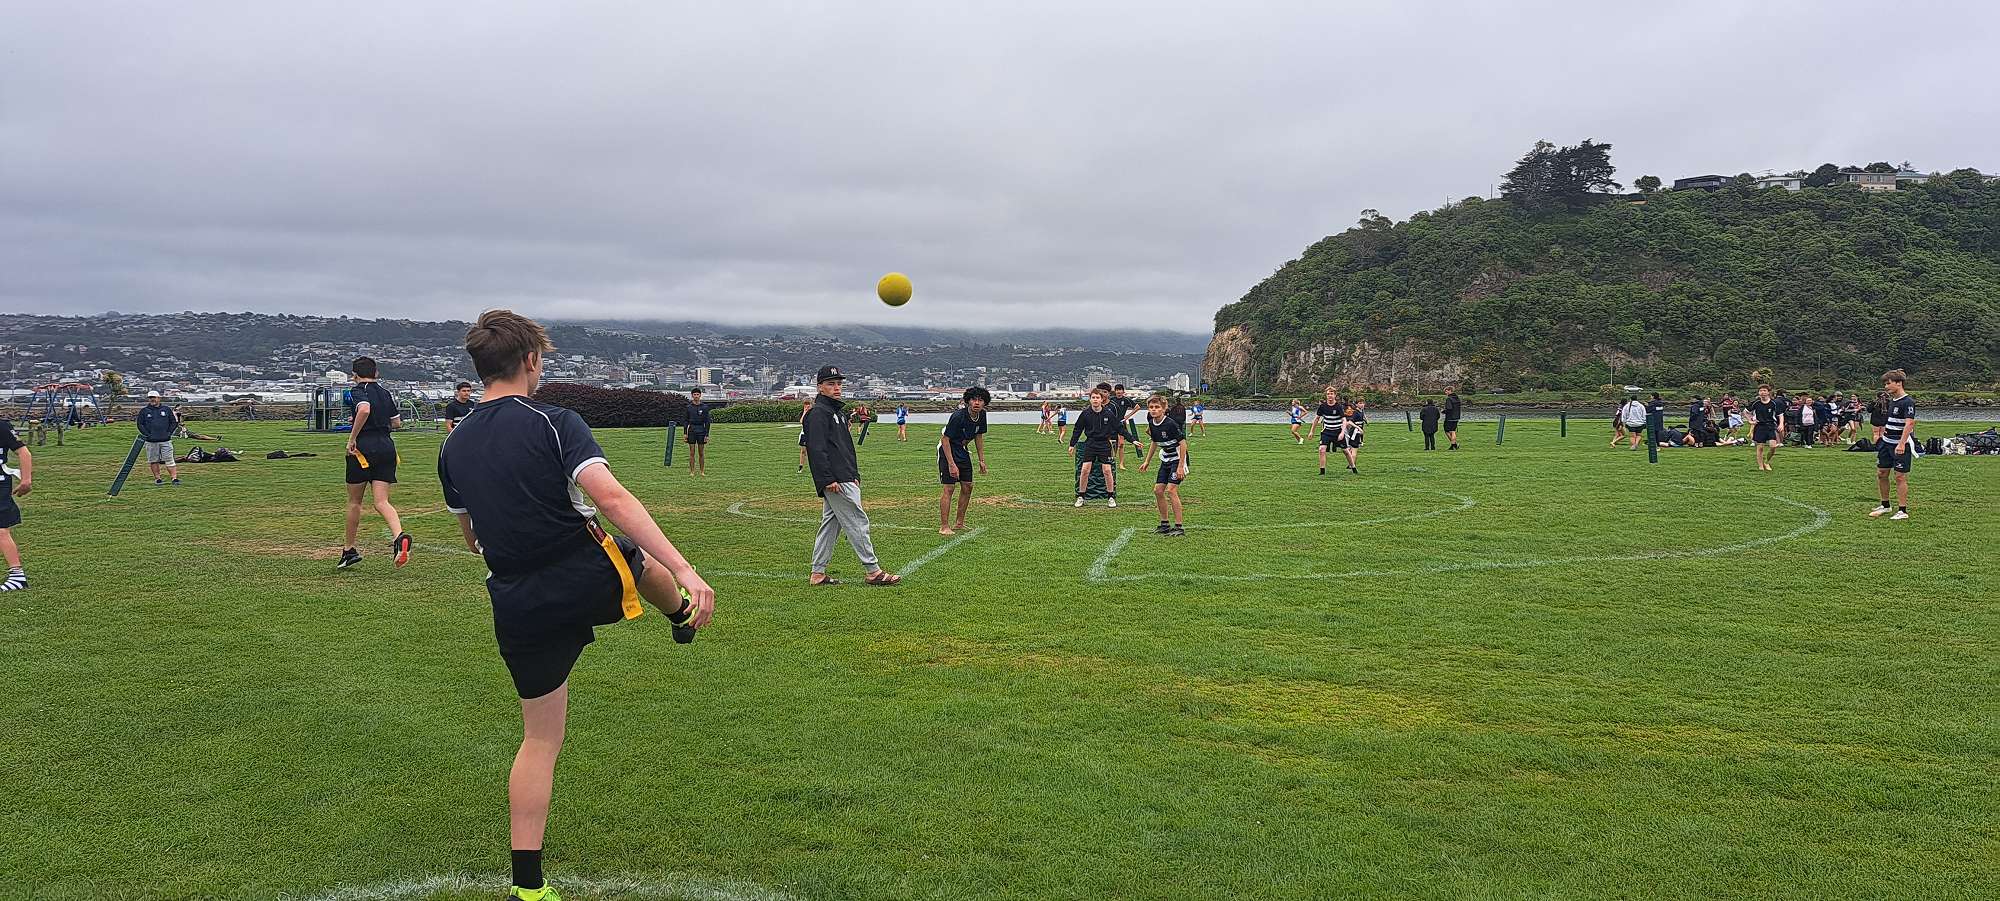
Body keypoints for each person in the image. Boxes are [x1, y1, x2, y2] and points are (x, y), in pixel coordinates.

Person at [436, 309, 715, 901]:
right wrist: (687, 568)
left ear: (480, 368)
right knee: (640, 563)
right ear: (531, 361)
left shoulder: (452, 444)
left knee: (539, 741)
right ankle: (679, 614)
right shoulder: (556, 421)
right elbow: (611, 498)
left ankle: (529, 887)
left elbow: (472, 537)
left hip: (515, 595)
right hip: (581, 571)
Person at [804, 366, 900, 586]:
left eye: (839, 384)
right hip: (836, 479)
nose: (836, 388)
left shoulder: (837, 413)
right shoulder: (818, 414)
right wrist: (827, 479)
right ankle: (873, 571)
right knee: (857, 521)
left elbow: (845, 448)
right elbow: (816, 449)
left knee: (830, 525)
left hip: (845, 476)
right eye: (831, 384)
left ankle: (817, 573)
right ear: (820, 387)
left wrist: (854, 473)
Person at [339, 357, 411, 569]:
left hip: (362, 449)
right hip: (387, 447)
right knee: (381, 501)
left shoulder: (357, 391)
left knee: (355, 502)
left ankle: (349, 549)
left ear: (354, 375)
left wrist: (352, 438)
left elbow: (364, 409)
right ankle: (399, 536)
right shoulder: (385, 393)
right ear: (376, 373)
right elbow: (396, 422)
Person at [937, 387, 989, 535]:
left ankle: (959, 523)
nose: (977, 403)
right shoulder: (958, 416)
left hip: (962, 450)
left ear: (984, 403)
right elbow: (945, 440)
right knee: (949, 488)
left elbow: (978, 436)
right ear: (968, 401)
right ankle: (944, 526)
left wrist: (981, 460)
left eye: (980, 400)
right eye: (974, 399)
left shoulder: (982, 415)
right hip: (947, 450)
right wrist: (951, 464)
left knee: (967, 486)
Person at [1139, 394, 1189, 536]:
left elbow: (1183, 444)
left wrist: (1181, 466)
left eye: (1157, 407)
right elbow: (1154, 442)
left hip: (1177, 459)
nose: (1154, 409)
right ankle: (1164, 524)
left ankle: (1179, 527)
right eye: (1151, 407)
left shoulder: (1170, 424)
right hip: (1166, 459)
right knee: (1158, 490)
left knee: (1171, 490)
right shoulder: (1151, 423)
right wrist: (1147, 461)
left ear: (1164, 408)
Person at [1870, 370, 1916, 520]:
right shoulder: (1892, 401)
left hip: (1899, 444)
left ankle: (1902, 510)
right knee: (1881, 473)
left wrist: (1901, 444)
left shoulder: (1907, 402)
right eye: (1885, 383)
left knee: (1900, 476)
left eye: (1888, 383)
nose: (1886, 386)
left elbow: (1909, 424)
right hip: (1886, 443)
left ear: (1899, 383)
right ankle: (1885, 505)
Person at [1069, 386, 1120, 507]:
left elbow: (1119, 428)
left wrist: (1133, 440)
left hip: (1104, 444)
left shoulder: (1108, 413)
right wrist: (1072, 444)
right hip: (1090, 444)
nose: (1095, 400)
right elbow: (1077, 429)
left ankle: (1111, 497)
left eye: (1097, 397)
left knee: (1107, 470)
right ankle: (1081, 496)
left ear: (1102, 400)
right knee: (1085, 470)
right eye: (1093, 397)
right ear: (1090, 399)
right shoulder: (1085, 414)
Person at [0, 417, 31, 591]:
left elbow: (24, 452)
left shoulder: (2, 427)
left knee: (0, 529)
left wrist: (26, 480)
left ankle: (17, 577)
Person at [135, 390, 182, 487]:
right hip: (151, 441)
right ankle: (158, 479)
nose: (152, 399)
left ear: (159, 398)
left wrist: (169, 433)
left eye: (154, 397)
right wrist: (147, 434)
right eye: (150, 398)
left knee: (169, 459)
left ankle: (174, 478)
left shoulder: (166, 409)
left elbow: (173, 422)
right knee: (153, 460)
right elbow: (140, 424)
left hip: (165, 440)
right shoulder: (144, 411)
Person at [1750, 384, 1783, 472]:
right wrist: (1750, 420)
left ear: (1768, 392)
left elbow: (1780, 414)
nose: (1762, 392)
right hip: (1760, 426)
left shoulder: (1774, 403)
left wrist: (1781, 424)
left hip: (1770, 426)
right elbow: (1745, 412)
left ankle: (1767, 462)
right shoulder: (1756, 403)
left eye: (1764, 390)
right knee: (1760, 447)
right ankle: (1760, 466)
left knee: (1773, 446)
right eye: (1761, 391)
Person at [1312, 387, 1344, 476]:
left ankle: (1353, 467)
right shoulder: (1322, 406)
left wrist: (1342, 432)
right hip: (1326, 431)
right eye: (1328, 394)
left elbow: (1344, 419)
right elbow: (1316, 419)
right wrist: (1312, 431)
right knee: (1322, 449)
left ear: (1335, 395)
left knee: (1345, 451)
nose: (1329, 395)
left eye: (1331, 394)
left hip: (1337, 431)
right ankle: (1322, 471)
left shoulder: (1338, 407)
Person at [683, 387, 712, 476]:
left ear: (700, 395)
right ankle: (692, 472)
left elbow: (707, 422)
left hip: (701, 430)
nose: (696, 396)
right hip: (692, 430)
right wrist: (685, 433)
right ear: (692, 395)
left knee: (701, 453)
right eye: (694, 394)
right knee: (692, 452)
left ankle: (702, 471)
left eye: (697, 394)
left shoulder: (705, 407)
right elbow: (686, 421)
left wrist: (707, 434)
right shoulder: (688, 407)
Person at [1341, 399, 1367, 473]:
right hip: (1354, 432)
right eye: (1360, 403)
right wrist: (1358, 428)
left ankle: (1350, 464)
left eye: (1363, 403)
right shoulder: (1355, 412)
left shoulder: (1361, 411)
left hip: (1357, 432)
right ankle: (1352, 466)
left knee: (1352, 449)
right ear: (1356, 404)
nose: (1362, 404)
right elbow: (1350, 422)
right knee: (1354, 449)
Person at [795, 397, 812, 473]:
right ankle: (801, 467)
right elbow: (801, 421)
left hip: (812, 434)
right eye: (805, 404)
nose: (807, 405)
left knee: (812, 452)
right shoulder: (803, 413)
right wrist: (805, 412)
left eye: (808, 404)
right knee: (803, 451)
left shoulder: (814, 413)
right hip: (804, 434)